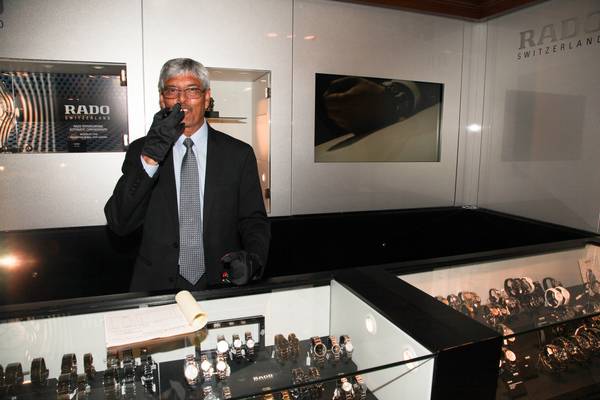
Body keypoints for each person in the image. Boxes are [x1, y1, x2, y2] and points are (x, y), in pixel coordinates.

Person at [105, 58, 270, 292]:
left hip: (220, 282)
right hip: (155, 287)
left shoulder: (238, 154)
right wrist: (150, 159)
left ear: (206, 97)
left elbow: (253, 220)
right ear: (162, 99)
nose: (182, 99)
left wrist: (254, 259)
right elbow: (119, 223)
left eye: (192, 90)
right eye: (173, 91)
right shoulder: (142, 150)